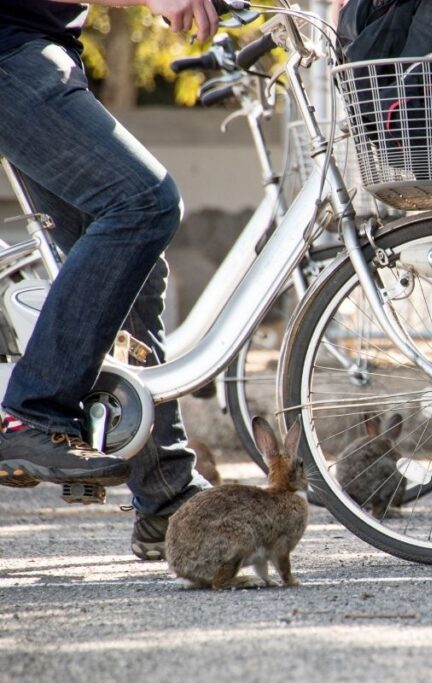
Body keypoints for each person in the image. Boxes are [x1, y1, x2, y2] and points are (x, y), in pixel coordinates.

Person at [0, 0, 219, 560]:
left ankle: (165, 501)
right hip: (11, 52)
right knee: (143, 201)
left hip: (37, 50)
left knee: (131, 261)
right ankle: (32, 409)